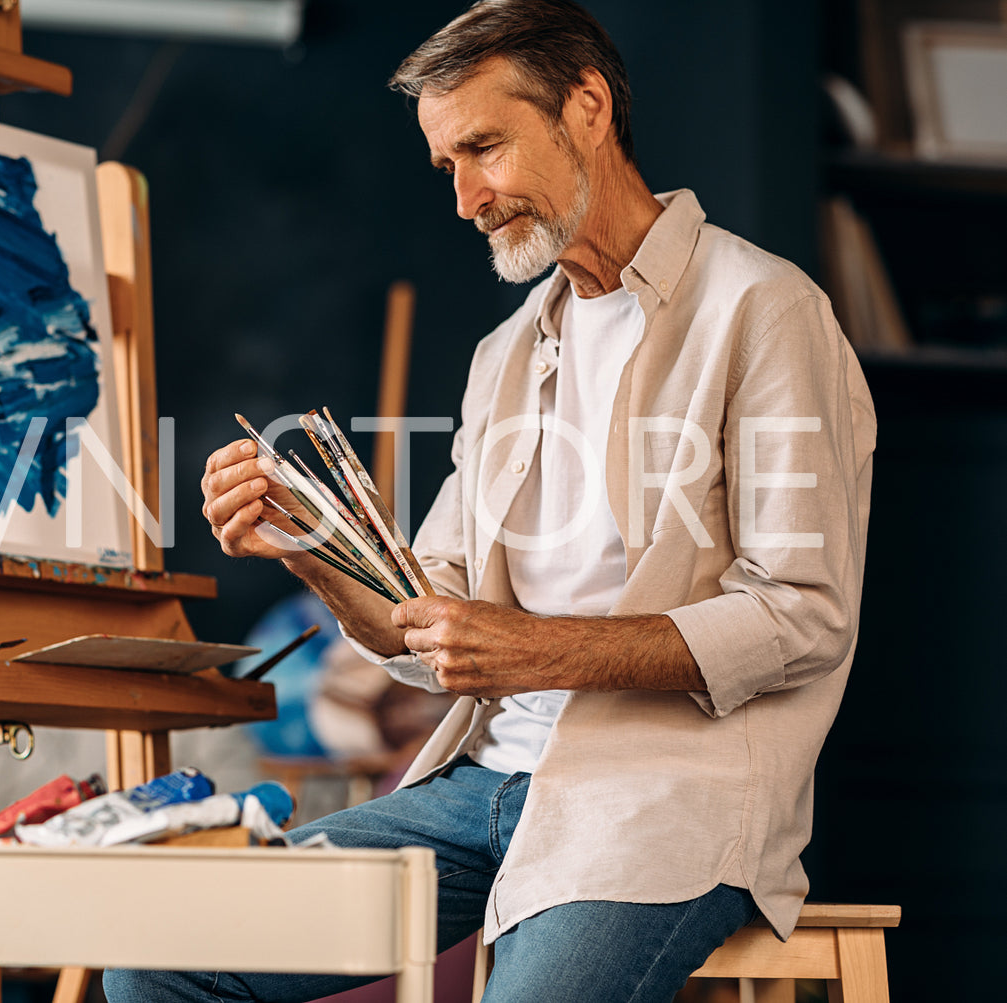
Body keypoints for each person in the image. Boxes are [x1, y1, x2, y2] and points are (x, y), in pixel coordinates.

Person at [106, 0, 875, 999]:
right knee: (165, 953)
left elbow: (799, 614)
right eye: (445, 166)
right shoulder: (505, 352)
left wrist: (530, 646)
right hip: (475, 788)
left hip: (661, 800)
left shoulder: (761, 310)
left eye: (482, 148)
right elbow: (418, 617)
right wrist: (305, 545)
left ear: (586, 108)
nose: (465, 196)